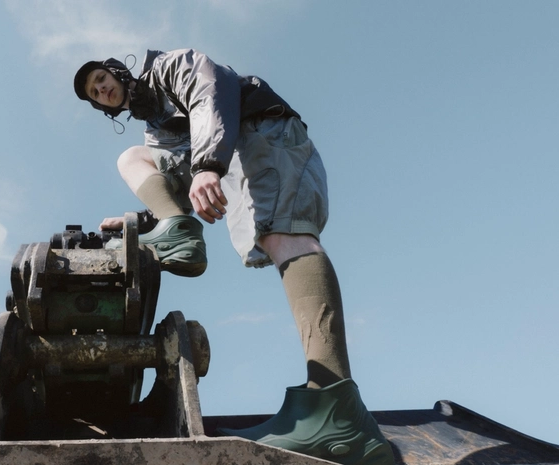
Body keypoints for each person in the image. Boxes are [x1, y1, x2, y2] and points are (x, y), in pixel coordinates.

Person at [74, 49, 395, 465]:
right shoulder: (156, 129)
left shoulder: (170, 67)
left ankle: (337, 409)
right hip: (227, 154)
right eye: (94, 93)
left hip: (262, 132)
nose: (101, 89)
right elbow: (177, 176)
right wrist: (144, 221)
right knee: (133, 158)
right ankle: (177, 233)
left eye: (100, 78)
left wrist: (208, 165)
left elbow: (214, 91)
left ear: (118, 70)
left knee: (286, 236)